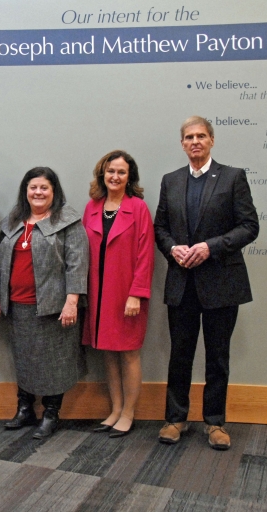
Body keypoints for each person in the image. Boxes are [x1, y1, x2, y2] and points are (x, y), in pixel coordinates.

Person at [154, 116, 259, 450]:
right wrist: (172, 248)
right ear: (182, 144)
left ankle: (215, 423)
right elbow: (160, 228)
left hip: (221, 283)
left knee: (217, 357)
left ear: (212, 140)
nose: (195, 141)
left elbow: (249, 226)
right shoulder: (170, 181)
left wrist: (210, 247)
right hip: (182, 282)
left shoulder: (233, 177)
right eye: (189, 137)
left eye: (201, 136)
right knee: (180, 355)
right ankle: (175, 419)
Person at [0, 167, 88, 439]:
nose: (38, 192)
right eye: (33, 187)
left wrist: (72, 301)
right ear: (26, 191)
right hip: (18, 305)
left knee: (55, 361)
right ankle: (25, 409)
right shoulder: (13, 221)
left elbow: (78, 263)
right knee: (24, 359)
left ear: (53, 191)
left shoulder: (68, 221)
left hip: (53, 307)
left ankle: (51, 413)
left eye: (44, 188)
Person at [82, 150, 154, 438]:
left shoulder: (138, 208)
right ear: (103, 174)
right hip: (98, 293)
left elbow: (146, 256)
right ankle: (115, 408)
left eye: (121, 172)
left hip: (127, 295)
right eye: (110, 171)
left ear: (129, 177)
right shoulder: (92, 207)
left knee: (128, 353)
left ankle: (129, 412)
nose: (115, 176)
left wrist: (136, 294)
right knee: (107, 355)